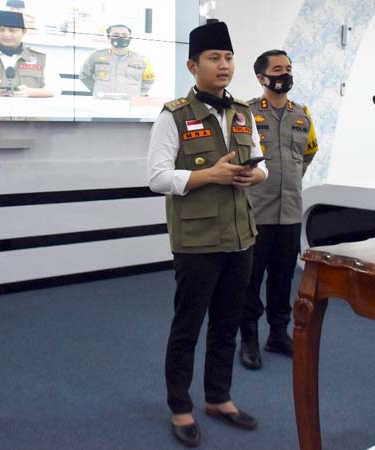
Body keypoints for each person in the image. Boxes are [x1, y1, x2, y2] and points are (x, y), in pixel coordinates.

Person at [147, 20, 267, 448]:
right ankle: (180, 405)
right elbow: (158, 178)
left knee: (227, 324)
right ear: (192, 65)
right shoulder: (174, 115)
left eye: (229, 58)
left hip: (241, 237)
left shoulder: (243, 113)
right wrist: (210, 176)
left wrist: (253, 176)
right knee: (188, 326)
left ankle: (219, 397)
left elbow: (262, 163)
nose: (224, 65)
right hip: (197, 241)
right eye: (214, 58)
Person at [238, 49, 318, 370]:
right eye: (277, 69)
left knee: (283, 277)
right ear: (262, 77)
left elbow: (308, 155)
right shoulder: (244, 113)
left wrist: (290, 181)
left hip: (290, 213)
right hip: (256, 211)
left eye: (288, 68)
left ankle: (277, 333)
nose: (284, 74)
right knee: (250, 279)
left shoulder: (303, 114)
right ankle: (249, 338)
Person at [0, 10, 53, 98]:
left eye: (13, 30)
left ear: (24, 31)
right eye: (0, 30)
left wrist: (31, 92)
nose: (6, 34)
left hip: (30, 109)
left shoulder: (40, 57)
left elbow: (55, 88)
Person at [79, 24, 155, 99]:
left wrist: (137, 95)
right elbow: (84, 75)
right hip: (102, 102)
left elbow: (149, 80)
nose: (121, 37)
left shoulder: (142, 60)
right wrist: (97, 90)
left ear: (130, 38)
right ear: (109, 37)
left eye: (125, 35)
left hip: (130, 105)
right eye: (116, 34)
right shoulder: (96, 56)